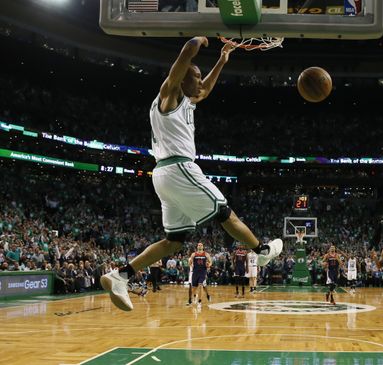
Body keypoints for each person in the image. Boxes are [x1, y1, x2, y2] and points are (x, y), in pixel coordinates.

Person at [100, 36, 282, 311]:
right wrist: (196, 41)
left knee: (174, 242)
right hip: (178, 168)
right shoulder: (168, 96)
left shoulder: (187, 100)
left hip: (165, 174)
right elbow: (184, 57)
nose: (199, 81)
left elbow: (205, 90)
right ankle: (263, 252)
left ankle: (120, 275)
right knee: (224, 213)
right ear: (181, 78)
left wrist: (222, 60)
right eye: (195, 76)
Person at [189, 242, 212, 308]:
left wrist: (209, 265)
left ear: (203, 247)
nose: (200, 246)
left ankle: (199, 301)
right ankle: (195, 296)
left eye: (201, 245)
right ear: (197, 247)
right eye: (199, 245)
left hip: (202, 272)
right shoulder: (193, 254)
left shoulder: (206, 254)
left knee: (200, 285)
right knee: (194, 288)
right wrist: (191, 263)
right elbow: (190, 262)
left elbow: (210, 262)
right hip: (195, 272)